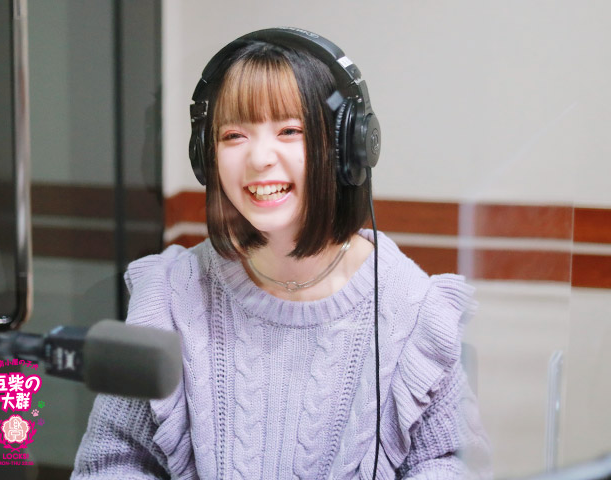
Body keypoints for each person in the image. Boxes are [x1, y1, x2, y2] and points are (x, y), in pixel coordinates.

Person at [71, 28, 491, 479]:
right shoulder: (171, 296)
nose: (259, 158)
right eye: (234, 135)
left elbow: (451, 463)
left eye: (290, 131)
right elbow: (113, 459)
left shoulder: (410, 305)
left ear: (345, 147)